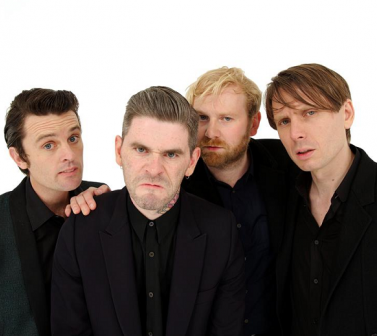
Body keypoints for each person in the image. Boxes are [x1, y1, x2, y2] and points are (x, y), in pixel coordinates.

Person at [68, 67, 293, 336]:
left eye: (226, 118)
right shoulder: (173, 182)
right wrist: (86, 193)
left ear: (254, 124)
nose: (211, 132)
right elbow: (139, 192)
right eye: (202, 118)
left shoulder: (286, 163)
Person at [51, 86, 246, 336]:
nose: (154, 169)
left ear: (192, 161)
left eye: (171, 154)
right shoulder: (80, 230)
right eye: (141, 150)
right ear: (119, 151)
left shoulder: (221, 231)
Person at [0, 88, 103, 336]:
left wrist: (114, 209)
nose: (69, 155)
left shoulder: (103, 202)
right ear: (19, 158)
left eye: (73, 138)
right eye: (48, 145)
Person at [265, 63, 377, 336]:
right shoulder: (283, 196)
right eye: (284, 121)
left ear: (346, 114)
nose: (295, 133)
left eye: (310, 112)